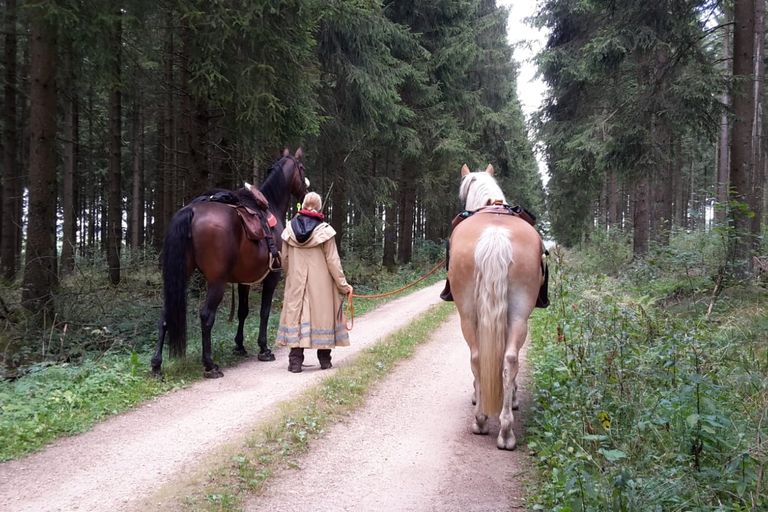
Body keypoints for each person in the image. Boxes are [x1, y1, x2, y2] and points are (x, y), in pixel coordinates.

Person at [276, 192, 353, 373]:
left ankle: (295, 362)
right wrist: (343, 285)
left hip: (296, 282)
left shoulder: (288, 230)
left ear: (303, 205)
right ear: (318, 207)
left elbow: (284, 259)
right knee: (323, 316)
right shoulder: (324, 231)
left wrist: (291, 277)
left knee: (296, 317)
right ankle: (324, 361)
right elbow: (333, 262)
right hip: (322, 285)